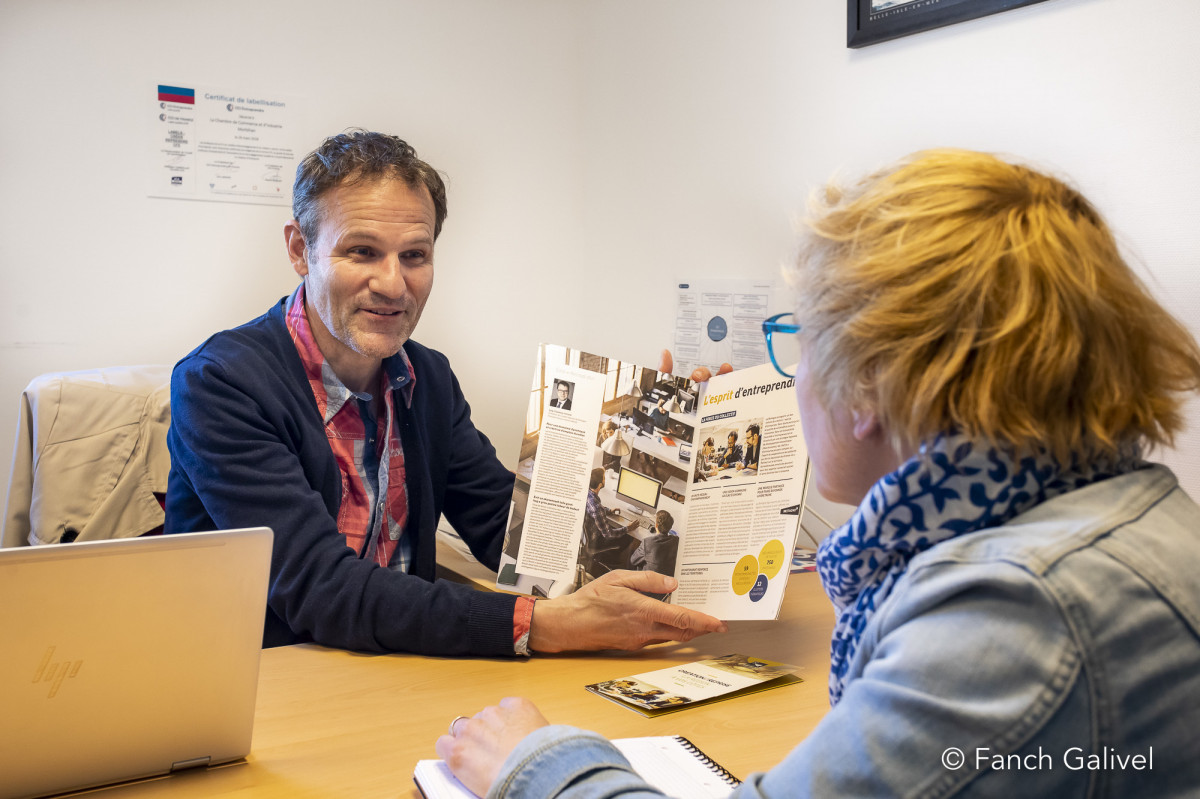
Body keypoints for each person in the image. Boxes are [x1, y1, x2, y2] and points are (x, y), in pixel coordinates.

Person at [435, 149, 1200, 796]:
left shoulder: (1014, 610)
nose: (796, 377)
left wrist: (537, 764)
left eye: (804, 342)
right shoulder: (1118, 515)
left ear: (867, 388)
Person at [165, 130, 724, 657]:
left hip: (401, 666)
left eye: (414, 255)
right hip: (271, 683)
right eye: (361, 252)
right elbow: (319, 588)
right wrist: (541, 625)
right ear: (298, 249)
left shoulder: (424, 377)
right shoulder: (220, 384)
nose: (392, 284)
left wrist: (666, 454)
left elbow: (509, 533)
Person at [629, 509, 680, 601]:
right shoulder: (676, 541)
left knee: (633, 552)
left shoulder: (647, 542)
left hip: (646, 589)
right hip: (664, 589)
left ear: (656, 525)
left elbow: (633, 561)